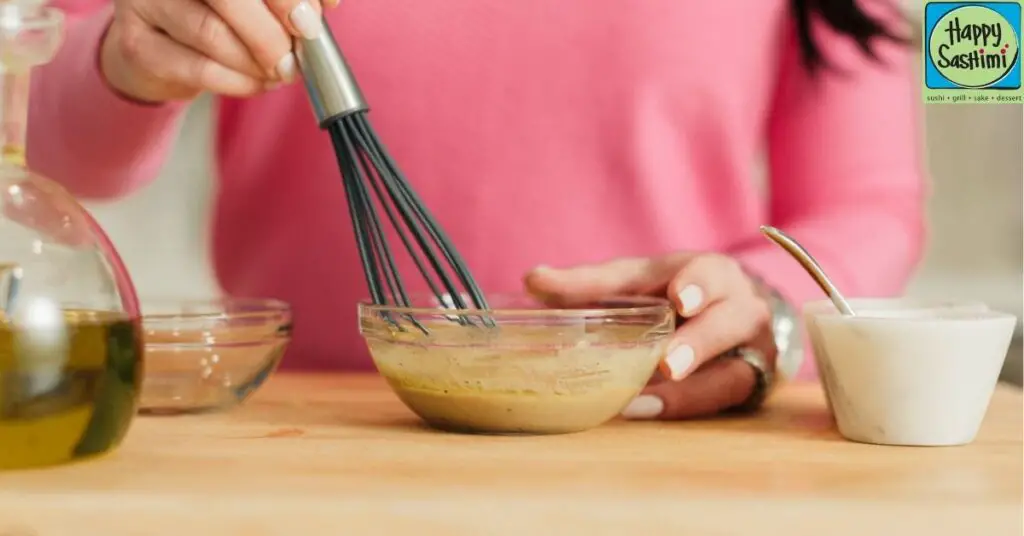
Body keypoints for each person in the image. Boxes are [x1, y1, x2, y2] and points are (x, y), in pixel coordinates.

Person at [31, 0, 924, 421]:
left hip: (670, 442)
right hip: (314, 436)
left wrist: (762, 305)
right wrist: (128, 59)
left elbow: (868, 203)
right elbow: (46, 137)